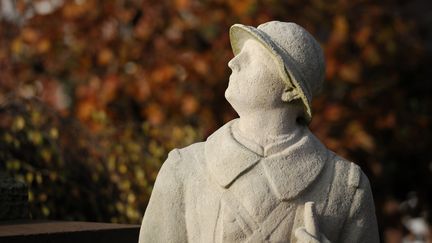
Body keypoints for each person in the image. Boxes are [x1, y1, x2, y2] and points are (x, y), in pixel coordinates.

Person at [139, 21, 379, 243]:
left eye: (251, 57)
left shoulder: (347, 186)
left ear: (290, 90)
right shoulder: (184, 170)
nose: (233, 62)